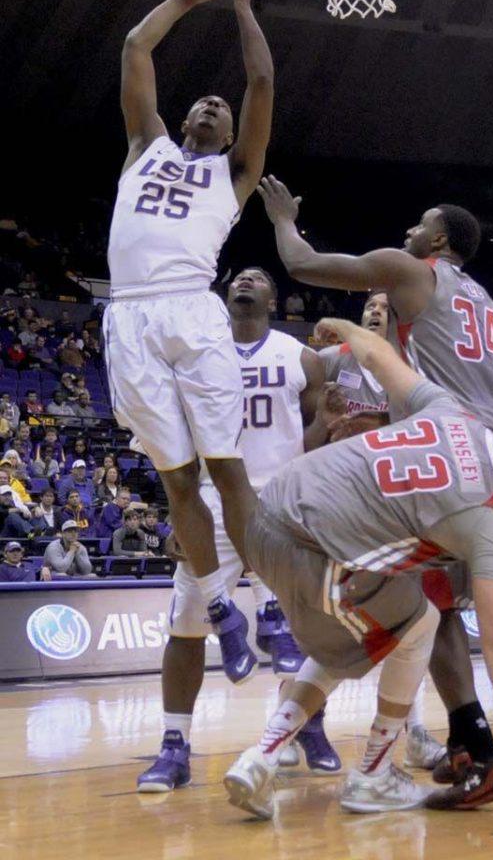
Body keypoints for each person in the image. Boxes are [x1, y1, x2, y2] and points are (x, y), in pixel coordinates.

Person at [216, 318, 493, 834]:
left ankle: (262, 756)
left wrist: (338, 327)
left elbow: (379, 355)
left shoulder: (453, 411)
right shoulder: (486, 524)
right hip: (311, 548)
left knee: (356, 635)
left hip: (267, 511)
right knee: (419, 622)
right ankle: (374, 773)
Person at [259, 178, 493, 780]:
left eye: (419, 223)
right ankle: (464, 742)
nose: (408, 231)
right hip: (488, 455)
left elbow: (303, 264)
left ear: (440, 238)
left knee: (400, 603)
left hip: (448, 452)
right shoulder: (483, 299)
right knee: (440, 608)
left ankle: (437, 748)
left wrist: (281, 220)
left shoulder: (410, 269)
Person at [104, 0, 273, 625]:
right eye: (202, 101)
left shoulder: (235, 174)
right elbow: (135, 47)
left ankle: (268, 605)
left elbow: (260, 84)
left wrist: (240, 4)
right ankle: (217, 609)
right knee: (177, 479)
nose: (211, 102)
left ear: (231, 133)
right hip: (130, 316)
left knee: (226, 468)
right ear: (183, 121)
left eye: (220, 106)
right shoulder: (147, 147)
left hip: (192, 311)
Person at [137, 266, 342, 794]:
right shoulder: (198, 354)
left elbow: (310, 438)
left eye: (257, 277)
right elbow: (174, 448)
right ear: (226, 295)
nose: (245, 281)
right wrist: (177, 515)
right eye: (239, 277)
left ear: (274, 298)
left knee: (305, 629)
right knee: (186, 626)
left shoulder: (302, 358)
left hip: (282, 505)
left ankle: (305, 727)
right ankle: (174, 745)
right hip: (210, 502)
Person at [317, 292, 390, 415]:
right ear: (362, 317)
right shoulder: (329, 357)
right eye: (370, 306)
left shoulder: (411, 364)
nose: (375, 311)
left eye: (386, 307)